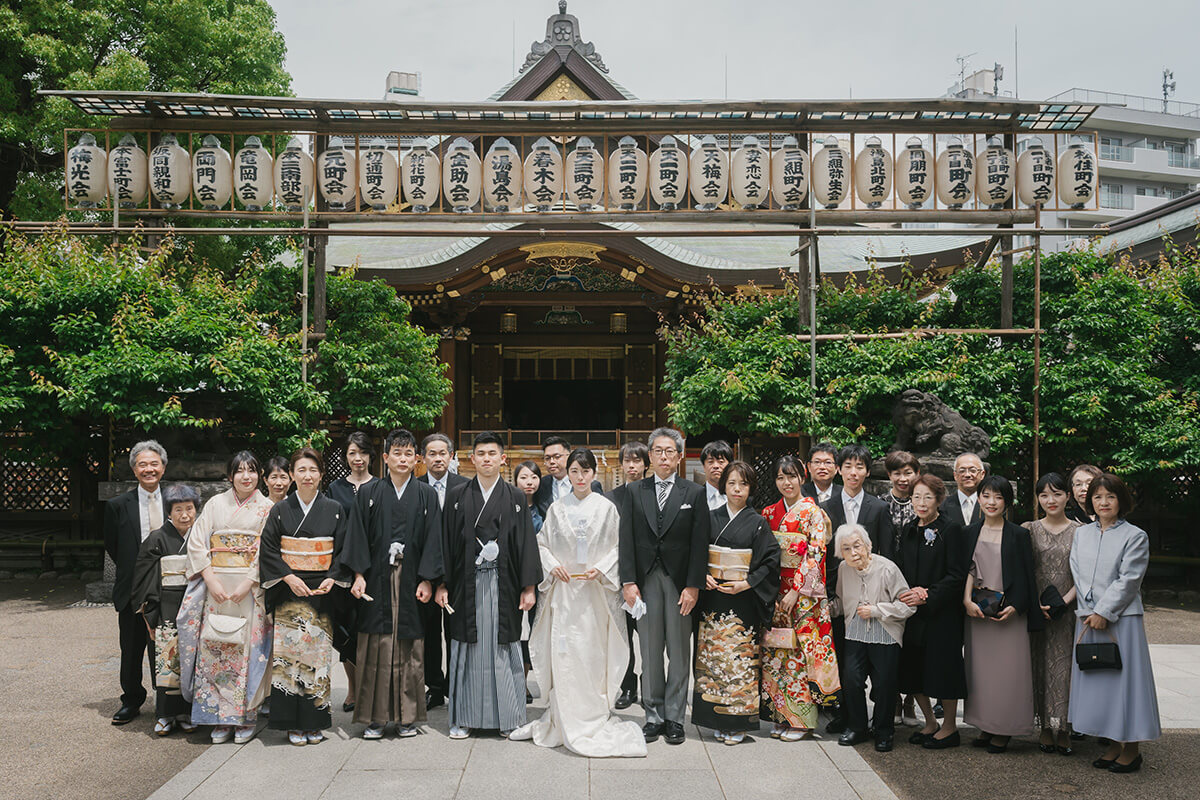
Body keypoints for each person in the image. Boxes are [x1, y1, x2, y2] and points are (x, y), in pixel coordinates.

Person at [510, 448, 647, 757]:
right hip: (565, 592)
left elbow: (618, 546)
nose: (580, 477)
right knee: (565, 651)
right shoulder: (557, 509)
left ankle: (592, 714)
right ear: (568, 474)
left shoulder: (607, 508)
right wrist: (551, 563)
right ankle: (562, 714)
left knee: (592, 652)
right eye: (574, 471)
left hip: (596, 594)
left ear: (594, 474)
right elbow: (541, 544)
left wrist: (604, 568)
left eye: (585, 471)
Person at [338, 429, 443, 740]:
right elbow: (356, 536)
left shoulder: (425, 495)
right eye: (396, 453)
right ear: (385, 458)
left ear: (416, 460)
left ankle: (407, 717)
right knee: (375, 647)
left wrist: (428, 579)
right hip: (375, 579)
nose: (402, 458)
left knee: (410, 647)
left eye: (408, 453)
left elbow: (433, 539)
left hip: (412, 580)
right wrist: (357, 575)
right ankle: (375, 718)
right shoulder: (369, 494)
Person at [438, 431, 541, 739]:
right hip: (465, 585)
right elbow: (445, 543)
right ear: (472, 459)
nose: (486, 458)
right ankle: (465, 717)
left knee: (503, 645)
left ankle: (507, 716)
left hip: (504, 582)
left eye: (491, 453)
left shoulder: (515, 497)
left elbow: (525, 544)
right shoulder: (457, 496)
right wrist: (442, 584)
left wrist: (529, 587)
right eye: (480, 453)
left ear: (502, 458)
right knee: (467, 647)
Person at [618, 427, 709, 745]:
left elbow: (700, 545)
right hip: (645, 581)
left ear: (680, 456)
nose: (664, 456)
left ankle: (674, 716)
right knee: (650, 650)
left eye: (670, 451)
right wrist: (628, 582)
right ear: (650, 456)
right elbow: (625, 540)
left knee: (680, 651)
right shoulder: (634, 491)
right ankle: (653, 715)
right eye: (658, 450)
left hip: (679, 582)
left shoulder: (693, 493)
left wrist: (694, 586)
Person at [177, 450, 275, 744]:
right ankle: (219, 717)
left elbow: (269, 549)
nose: (247, 476)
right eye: (240, 471)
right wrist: (208, 577)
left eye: (252, 470)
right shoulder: (215, 504)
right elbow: (197, 542)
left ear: (259, 474)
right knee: (217, 648)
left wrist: (250, 580)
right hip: (218, 586)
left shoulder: (267, 507)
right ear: (229, 475)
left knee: (249, 651)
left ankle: (246, 716)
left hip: (249, 589)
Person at [1069, 473, 1160, 773]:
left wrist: (1104, 611)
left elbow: (1129, 580)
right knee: (1099, 683)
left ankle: (1131, 749)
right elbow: (1078, 573)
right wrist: (1089, 610)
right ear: (1089, 501)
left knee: (1125, 685)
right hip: (1088, 617)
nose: (1103, 502)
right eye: (1097, 496)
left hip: (1122, 620)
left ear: (1121, 500)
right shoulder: (1082, 534)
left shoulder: (1135, 536)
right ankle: (1110, 743)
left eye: (1110, 496)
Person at [259, 448, 350, 746]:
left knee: (318, 658)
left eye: (313, 470)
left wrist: (332, 578)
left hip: (321, 590)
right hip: (289, 587)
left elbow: (343, 549)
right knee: (288, 658)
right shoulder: (281, 510)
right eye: (301, 470)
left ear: (321, 474)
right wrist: (287, 576)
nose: (307, 476)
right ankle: (290, 723)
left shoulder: (335, 508)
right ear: (293, 475)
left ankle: (314, 722)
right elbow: (269, 549)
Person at [693, 461, 780, 745]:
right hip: (713, 597)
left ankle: (739, 723)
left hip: (742, 601)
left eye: (743, 484)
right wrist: (702, 574)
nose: (737, 489)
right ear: (724, 486)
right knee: (713, 661)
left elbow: (770, 560)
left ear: (750, 488)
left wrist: (748, 582)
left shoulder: (757, 522)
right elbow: (695, 552)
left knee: (739, 660)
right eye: (731, 483)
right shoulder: (710, 516)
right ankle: (715, 720)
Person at [961, 475, 1042, 754]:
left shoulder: (1019, 534)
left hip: (1008, 615)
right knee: (980, 673)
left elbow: (1027, 576)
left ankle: (1005, 728)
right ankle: (986, 724)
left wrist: (1017, 606)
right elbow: (966, 571)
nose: (991, 502)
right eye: (986, 496)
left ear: (1007, 502)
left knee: (1009, 673)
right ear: (979, 498)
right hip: (978, 613)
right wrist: (966, 601)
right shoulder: (969, 532)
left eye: (998, 497)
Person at [761, 455, 839, 741]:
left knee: (800, 654)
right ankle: (781, 715)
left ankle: (803, 721)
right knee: (776, 653)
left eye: (791, 476)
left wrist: (796, 590)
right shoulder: (769, 513)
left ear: (802, 478)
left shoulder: (813, 513)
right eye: (781, 477)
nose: (786, 483)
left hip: (805, 596)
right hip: (776, 593)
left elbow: (816, 552)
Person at [821, 444, 895, 733]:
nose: (853, 472)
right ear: (839, 470)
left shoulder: (878, 508)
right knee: (845, 664)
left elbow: (887, 554)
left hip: (873, 599)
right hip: (839, 597)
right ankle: (851, 719)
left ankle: (881, 724)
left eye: (860, 467)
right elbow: (822, 556)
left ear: (867, 471)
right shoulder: (825, 508)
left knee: (877, 666)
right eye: (848, 466)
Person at [896, 473, 967, 749]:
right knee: (913, 670)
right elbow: (900, 567)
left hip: (942, 612)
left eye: (927, 497)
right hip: (913, 612)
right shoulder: (909, 528)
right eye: (916, 497)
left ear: (939, 499)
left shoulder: (951, 529)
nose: (921, 502)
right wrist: (907, 593)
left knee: (944, 670)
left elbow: (957, 574)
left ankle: (950, 727)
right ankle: (930, 722)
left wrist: (929, 594)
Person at [104, 440, 169, 725]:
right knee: (131, 648)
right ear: (134, 469)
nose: (149, 469)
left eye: (154, 463)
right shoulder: (118, 505)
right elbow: (113, 546)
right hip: (132, 587)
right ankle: (131, 700)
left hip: (170, 586)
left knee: (165, 646)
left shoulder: (177, 500)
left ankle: (166, 701)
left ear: (163, 467)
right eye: (142, 464)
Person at [833, 523, 914, 752]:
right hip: (855, 631)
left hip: (885, 633)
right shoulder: (843, 569)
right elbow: (840, 602)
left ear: (868, 545)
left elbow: (907, 606)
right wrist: (823, 608)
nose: (853, 553)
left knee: (885, 684)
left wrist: (878, 610)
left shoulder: (887, 568)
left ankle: (884, 731)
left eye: (857, 546)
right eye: (846, 548)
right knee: (851, 680)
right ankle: (857, 727)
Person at [132, 483, 201, 737]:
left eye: (190, 508)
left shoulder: (200, 536)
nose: (185, 515)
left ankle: (186, 712)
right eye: (178, 509)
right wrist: (150, 615)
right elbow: (143, 577)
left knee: (191, 659)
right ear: (168, 513)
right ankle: (163, 714)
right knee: (166, 659)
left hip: (195, 601)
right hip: (165, 604)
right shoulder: (157, 538)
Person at [1024, 472, 1079, 756]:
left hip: (1069, 611)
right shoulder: (1028, 529)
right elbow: (1022, 571)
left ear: (1068, 496)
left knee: (1066, 668)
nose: (1051, 500)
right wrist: (1036, 604)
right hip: (1037, 611)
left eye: (1057, 494)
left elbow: (1084, 575)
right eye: (1044, 495)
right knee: (1039, 664)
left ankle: (1065, 728)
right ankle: (1045, 726)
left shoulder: (1080, 531)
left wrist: (1064, 603)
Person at [326, 432, 379, 714]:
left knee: (368, 630)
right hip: (343, 570)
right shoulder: (335, 489)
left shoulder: (380, 487)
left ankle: (371, 688)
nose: (357, 459)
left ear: (371, 455)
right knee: (345, 631)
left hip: (375, 568)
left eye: (362, 453)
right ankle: (353, 688)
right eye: (352, 453)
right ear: (345, 457)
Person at [417, 432, 469, 711]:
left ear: (451, 456)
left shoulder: (466, 486)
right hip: (423, 574)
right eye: (432, 454)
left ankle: (456, 684)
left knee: (455, 631)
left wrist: (449, 577)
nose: (438, 458)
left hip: (456, 574)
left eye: (443, 453)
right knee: (428, 633)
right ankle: (434, 686)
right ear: (423, 458)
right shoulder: (415, 487)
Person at [607, 441, 650, 711]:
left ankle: (651, 686)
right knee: (623, 636)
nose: (632, 466)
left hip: (648, 576)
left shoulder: (654, 493)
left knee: (649, 636)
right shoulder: (611, 498)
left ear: (646, 464)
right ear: (621, 464)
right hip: (619, 577)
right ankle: (627, 685)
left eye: (637, 460)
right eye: (627, 460)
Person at [534, 435, 602, 518]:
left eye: (557, 457)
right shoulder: (540, 485)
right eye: (547, 458)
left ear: (569, 456)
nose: (551, 461)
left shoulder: (590, 485)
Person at [882, 450, 920, 552]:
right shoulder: (880, 503)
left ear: (917, 473)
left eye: (908, 473)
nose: (902, 479)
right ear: (889, 475)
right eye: (897, 474)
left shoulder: (923, 503)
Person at [941, 453, 986, 528]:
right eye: (962, 471)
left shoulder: (991, 505)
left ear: (982, 474)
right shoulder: (942, 506)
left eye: (972, 470)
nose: (967, 475)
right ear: (955, 475)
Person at [698, 439, 733, 510]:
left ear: (730, 466)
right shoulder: (695, 497)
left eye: (721, 462)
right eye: (710, 462)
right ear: (704, 466)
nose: (716, 466)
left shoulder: (737, 495)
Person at [513, 461, 545, 534]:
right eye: (523, 478)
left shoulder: (543, 507)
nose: (529, 482)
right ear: (516, 481)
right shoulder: (508, 506)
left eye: (534, 477)